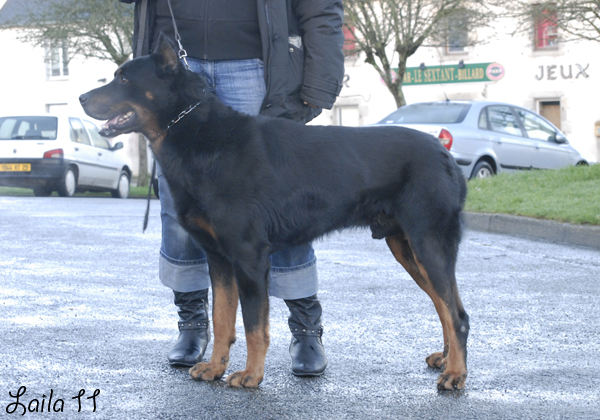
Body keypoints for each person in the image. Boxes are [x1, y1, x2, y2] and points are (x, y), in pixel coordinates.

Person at [119, 0, 344, 377]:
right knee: (180, 210)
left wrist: (319, 82)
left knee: (280, 202)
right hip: (171, 63)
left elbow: (320, 7)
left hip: (254, 64)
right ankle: (193, 324)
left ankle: (305, 327)